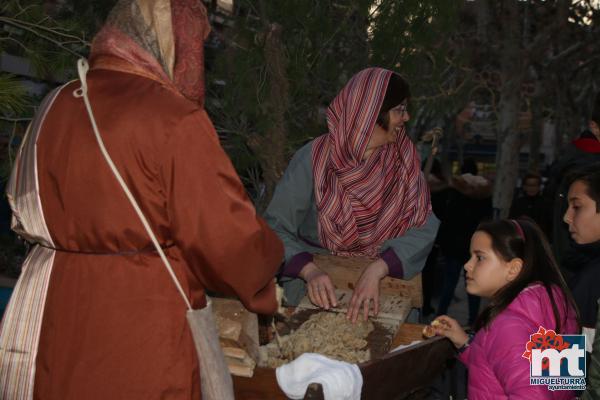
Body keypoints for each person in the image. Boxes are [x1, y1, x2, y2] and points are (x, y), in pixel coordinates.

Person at [0, 1, 283, 398]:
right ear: (174, 39)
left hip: (54, 308)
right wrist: (265, 277)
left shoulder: (55, 104)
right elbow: (224, 236)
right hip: (139, 319)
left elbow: (19, 201)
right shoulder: (171, 117)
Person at [264, 68, 439, 322]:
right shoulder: (314, 159)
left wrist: (378, 269)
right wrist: (309, 270)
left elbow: (424, 226)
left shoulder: (405, 160)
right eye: (399, 109)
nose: (406, 117)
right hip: (316, 298)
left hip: (387, 297)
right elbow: (274, 227)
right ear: (370, 112)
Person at [434, 218, 579, 399]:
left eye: (479, 257)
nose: (467, 265)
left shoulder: (507, 327)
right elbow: (555, 382)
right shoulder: (555, 308)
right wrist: (464, 342)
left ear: (513, 269)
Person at [562, 164, 600, 399]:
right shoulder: (586, 272)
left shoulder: (588, 280)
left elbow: (556, 380)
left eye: (576, 207)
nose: (566, 217)